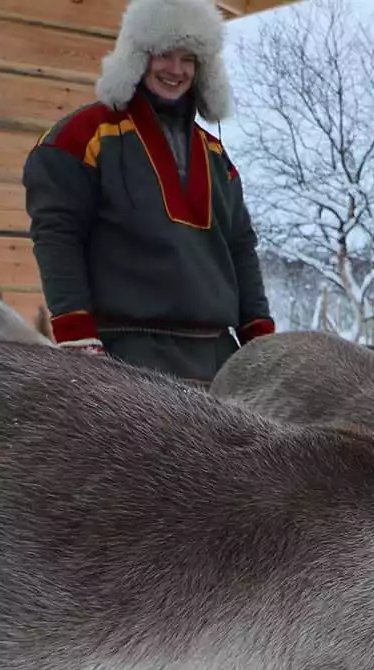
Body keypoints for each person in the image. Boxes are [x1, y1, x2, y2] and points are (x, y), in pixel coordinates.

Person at [23, 0, 273, 385]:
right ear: (137, 56)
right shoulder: (79, 138)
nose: (176, 70)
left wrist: (260, 341)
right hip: (126, 357)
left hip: (220, 360)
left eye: (188, 58)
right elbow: (58, 236)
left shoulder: (216, 156)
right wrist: (76, 333)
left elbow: (240, 247)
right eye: (164, 54)